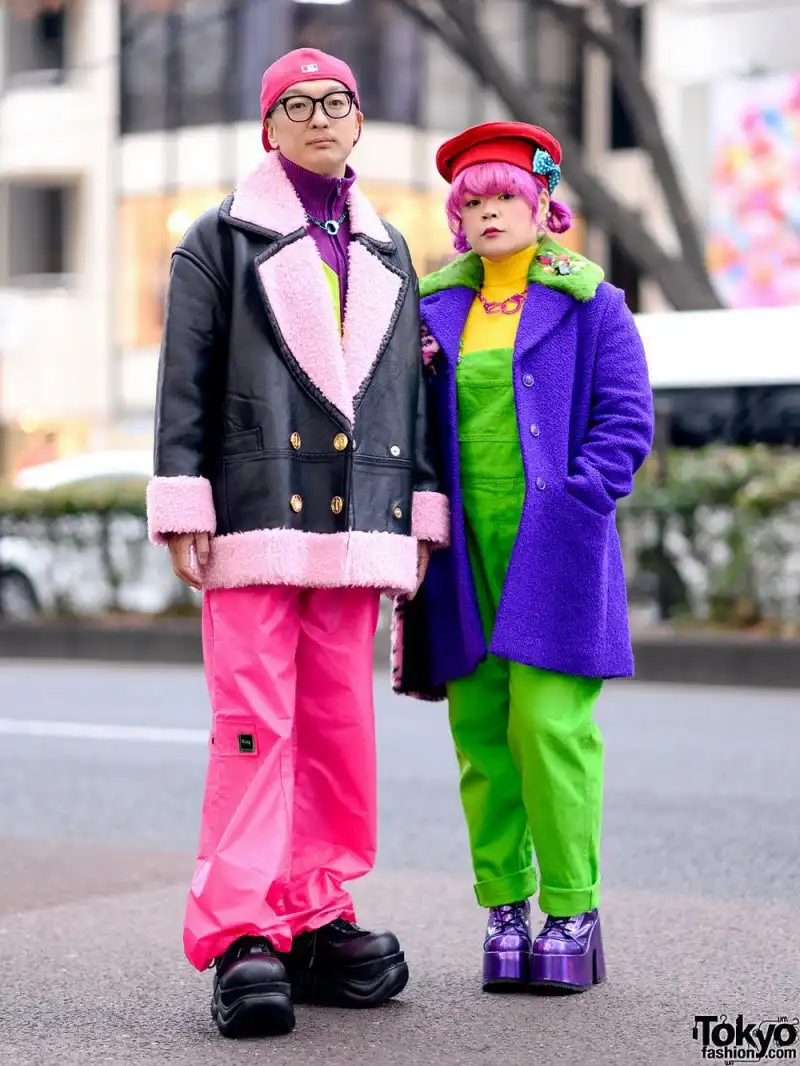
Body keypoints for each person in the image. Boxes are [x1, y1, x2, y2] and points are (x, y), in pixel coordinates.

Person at [146, 47, 449, 1038]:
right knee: (252, 725)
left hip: (358, 522)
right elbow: (184, 380)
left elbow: (409, 396)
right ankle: (242, 928)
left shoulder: (389, 250)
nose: (320, 117)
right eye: (298, 104)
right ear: (268, 127)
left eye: (336, 102)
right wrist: (184, 504)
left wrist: (418, 513)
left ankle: (314, 910)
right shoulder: (216, 239)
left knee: (335, 724)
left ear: (358, 122)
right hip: (252, 512)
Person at [392, 121, 654, 993]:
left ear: (544, 206)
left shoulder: (593, 303)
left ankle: (572, 907)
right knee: (480, 735)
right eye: (473, 202)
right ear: (457, 218)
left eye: (507, 195)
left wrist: (580, 501)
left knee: (548, 729)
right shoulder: (428, 308)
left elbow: (626, 422)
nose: (490, 212)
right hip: (460, 550)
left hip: (556, 547)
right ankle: (505, 906)